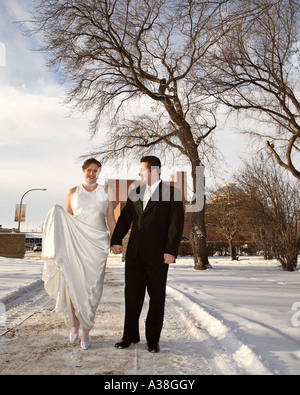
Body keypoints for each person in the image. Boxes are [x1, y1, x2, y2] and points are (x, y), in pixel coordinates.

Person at [111, 156, 184, 353]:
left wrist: (171, 251)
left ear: (153, 171)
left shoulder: (172, 193)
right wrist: (116, 240)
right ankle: (130, 336)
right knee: (132, 297)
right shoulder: (136, 192)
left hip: (158, 256)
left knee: (157, 298)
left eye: (142, 169)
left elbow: (175, 225)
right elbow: (125, 219)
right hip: (134, 254)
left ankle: (153, 340)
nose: (139, 173)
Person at [42, 158, 116, 350]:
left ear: (99, 172)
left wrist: (115, 240)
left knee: (92, 288)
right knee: (74, 284)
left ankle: (86, 328)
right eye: (89, 170)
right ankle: (75, 325)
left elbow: (110, 219)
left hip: (97, 244)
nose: (92, 174)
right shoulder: (72, 192)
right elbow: (67, 219)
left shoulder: (107, 192)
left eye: (96, 171)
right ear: (83, 171)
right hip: (75, 243)